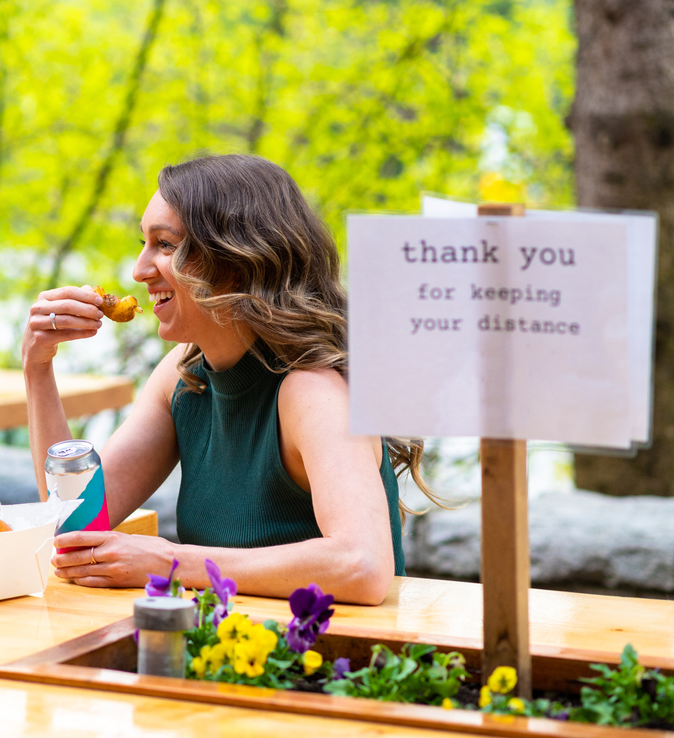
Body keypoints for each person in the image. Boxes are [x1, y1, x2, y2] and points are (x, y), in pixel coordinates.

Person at [23, 154, 435, 605]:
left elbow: (364, 566)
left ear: (236, 259)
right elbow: (74, 520)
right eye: (144, 243)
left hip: (329, 664)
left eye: (164, 245)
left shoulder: (311, 391)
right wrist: (38, 368)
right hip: (225, 650)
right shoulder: (184, 375)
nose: (139, 271)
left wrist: (169, 563)